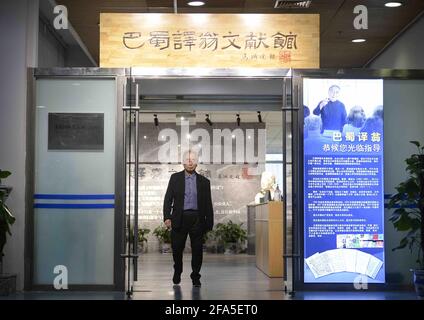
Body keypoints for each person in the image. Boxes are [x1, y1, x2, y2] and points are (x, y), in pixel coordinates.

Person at [163, 149, 214, 287]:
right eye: (187, 160)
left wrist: (209, 223)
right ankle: (177, 270)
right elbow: (168, 199)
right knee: (177, 248)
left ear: (197, 163)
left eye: (193, 160)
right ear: (183, 163)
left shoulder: (204, 182)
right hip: (179, 218)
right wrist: (167, 217)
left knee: (197, 250)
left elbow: (208, 203)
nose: (190, 163)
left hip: (197, 219)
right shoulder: (175, 178)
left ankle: (196, 276)